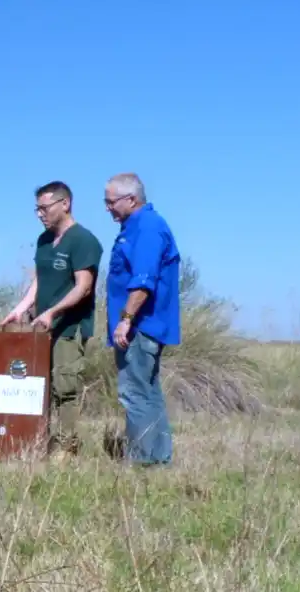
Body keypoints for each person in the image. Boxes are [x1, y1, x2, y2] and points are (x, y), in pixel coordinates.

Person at [0, 180, 103, 457]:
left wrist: (53, 312)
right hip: (41, 327)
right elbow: (40, 280)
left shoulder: (84, 240)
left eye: (44, 208)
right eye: (37, 209)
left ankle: (66, 450)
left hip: (69, 328)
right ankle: (36, 443)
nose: (40, 214)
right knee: (37, 385)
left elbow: (84, 287)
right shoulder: (44, 241)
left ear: (65, 204)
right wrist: (21, 308)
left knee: (64, 388)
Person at [103, 172, 181, 467]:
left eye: (110, 202)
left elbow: (143, 279)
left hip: (140, 326)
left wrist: (125, 319)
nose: (107, 208)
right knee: (147, 392)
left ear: (131, 199)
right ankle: (158, 459)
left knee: (135, 393)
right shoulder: (134, 226)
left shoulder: (147, 228)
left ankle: (142, 462)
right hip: (140, 325)